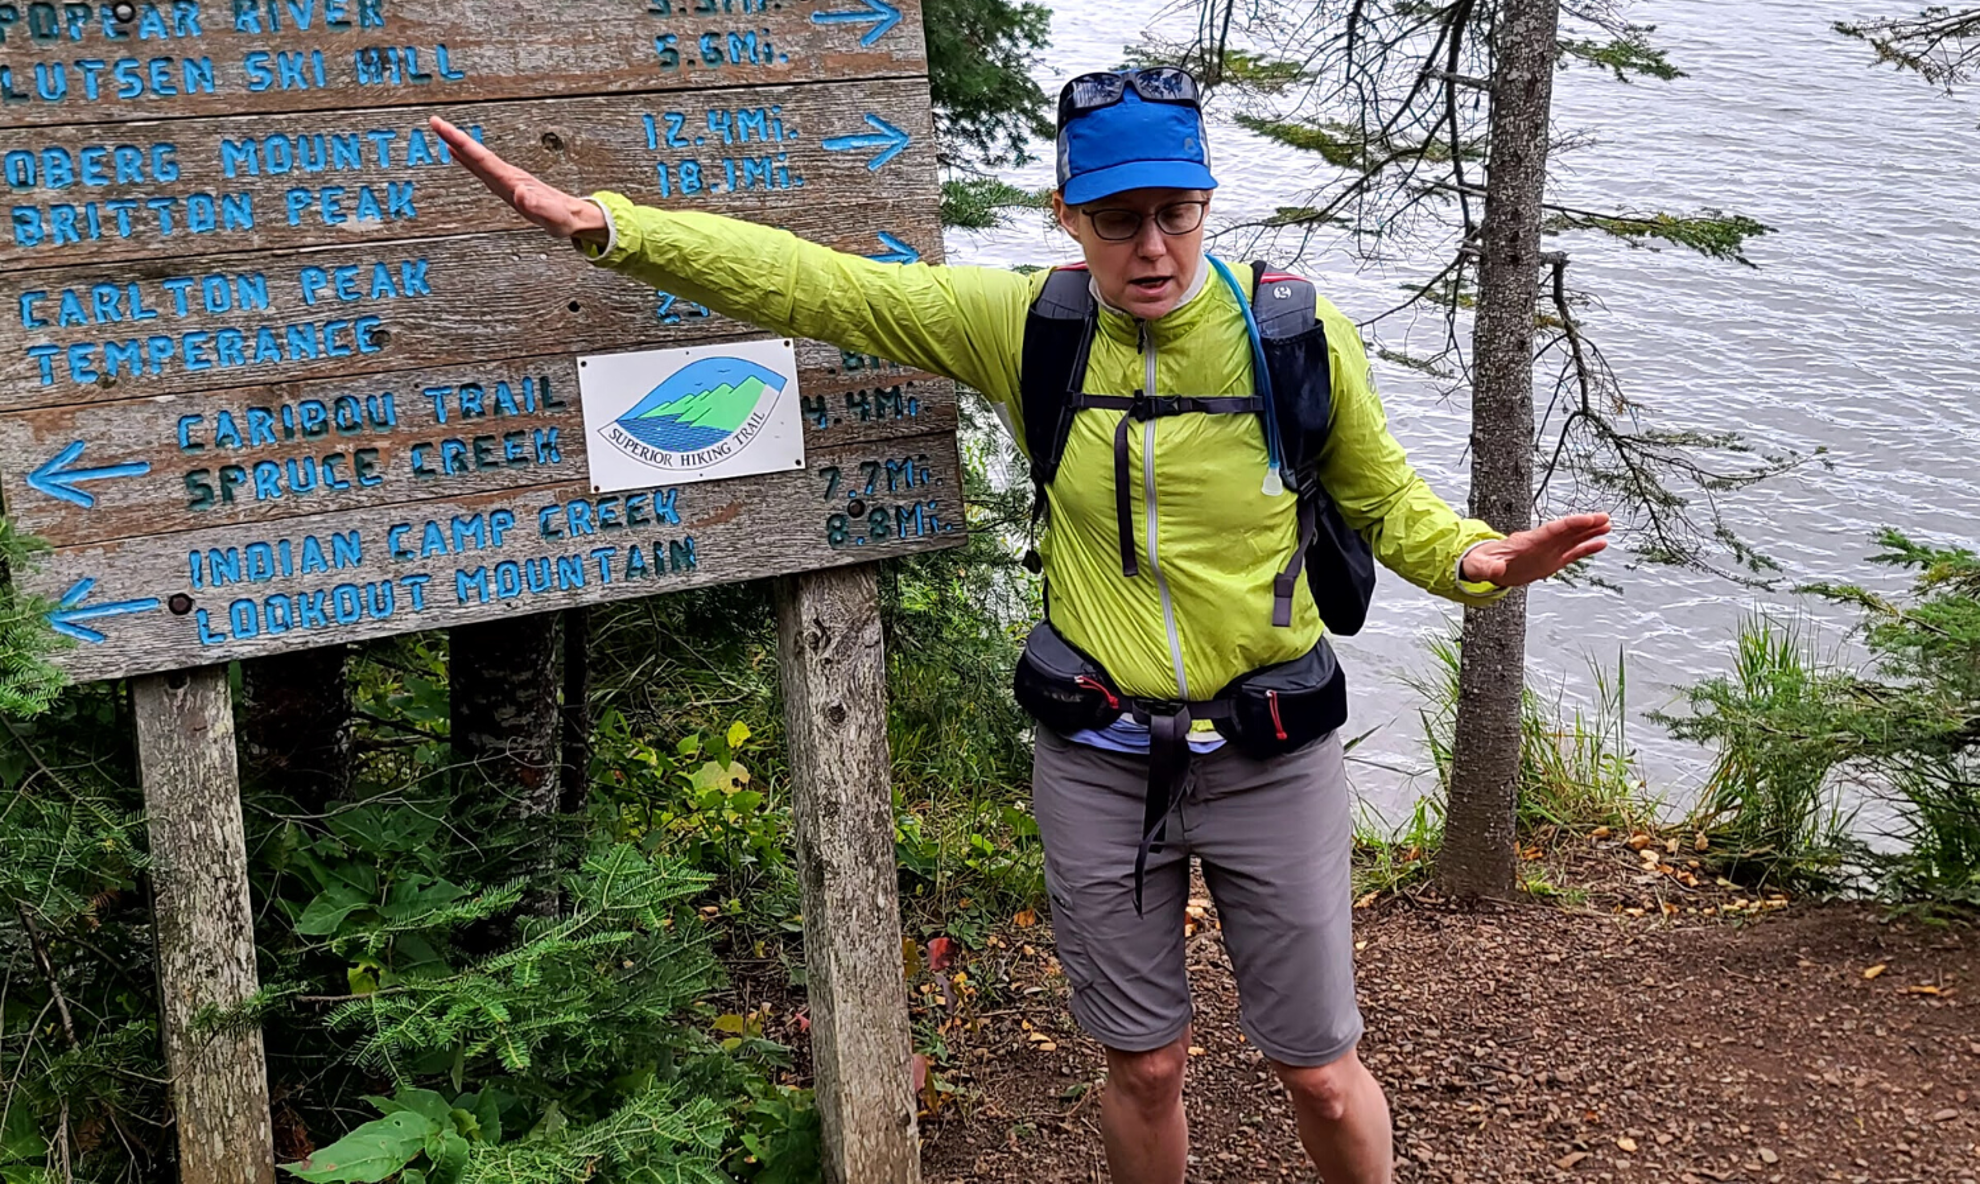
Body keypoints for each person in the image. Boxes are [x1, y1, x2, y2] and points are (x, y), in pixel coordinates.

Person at [429, 67, 1608, 1184]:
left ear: (1206, 204)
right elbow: (818, 283)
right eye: (1115, 219)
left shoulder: (1290, 333)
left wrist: (1476, 558)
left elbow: (1386, 498)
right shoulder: (1026, 327)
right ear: (1068, 216)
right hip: (1097, 757)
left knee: (1319, 1070)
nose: (1151, 247)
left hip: (1272, 754)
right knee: (1144, 1063)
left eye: (1175, 213)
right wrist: (608, 225)